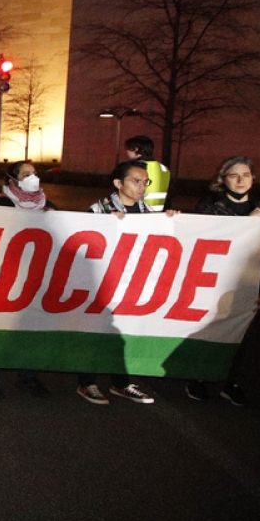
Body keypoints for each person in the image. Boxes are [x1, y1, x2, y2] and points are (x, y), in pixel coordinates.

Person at [78, 159, 176, 405]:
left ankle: (120, 382)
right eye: (135, 181)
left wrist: (172, 221)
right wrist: (106, 225)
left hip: (133, 285)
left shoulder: (149, 214)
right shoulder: (98, 210)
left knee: (126, 333)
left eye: (145, 182)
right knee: (96, 333)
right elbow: (84, 245)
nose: (142, 186)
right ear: (118, 183)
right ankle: (86, 381)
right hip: (103, 284)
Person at [186, 156, 260, 406]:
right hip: (214, 280)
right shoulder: (209, 204)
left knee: (244, 333)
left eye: (246, 175)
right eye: (234, 175)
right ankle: (199, 377)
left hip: (249, 282)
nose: (240, 180)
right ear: (223, 178)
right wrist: (250, 221)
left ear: (253, 178)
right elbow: (203, 237)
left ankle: (232, 382)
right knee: (210, 328)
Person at [0, 160, 55, 398]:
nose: (33, 177)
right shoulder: (2, 202)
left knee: (31, 326)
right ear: (13, 181)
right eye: (26, 174)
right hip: (4, 276)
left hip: (34, 278)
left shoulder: (46, 204)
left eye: (34, 173)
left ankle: (28, 376)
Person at [124, 135, 170, 212]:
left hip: (138, 215)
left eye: (127, 149)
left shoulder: (133, 168)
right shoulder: (164, 169)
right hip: (158, 215)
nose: (126, 152)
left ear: (136, 149)